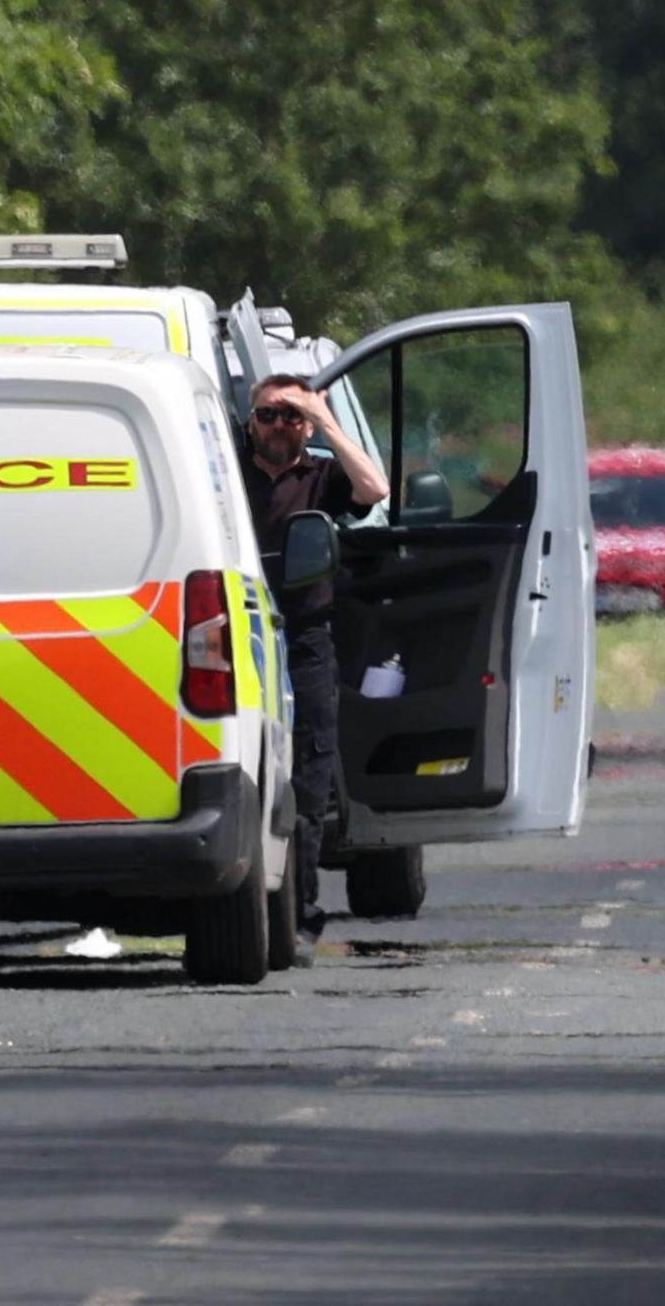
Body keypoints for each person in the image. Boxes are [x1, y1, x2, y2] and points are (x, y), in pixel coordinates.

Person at [240, 374, 388, 962]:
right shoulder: (224, 469)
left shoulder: (322, 475)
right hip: (236, 633)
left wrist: (324, 418)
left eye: (291, 416)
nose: (280, 426)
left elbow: (374, 488)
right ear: (249, 419)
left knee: (308, 781)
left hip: (304, 640)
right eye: (268, 414)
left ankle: (300, 917)